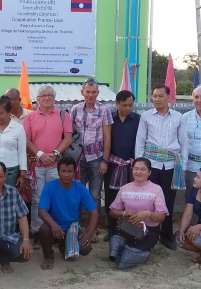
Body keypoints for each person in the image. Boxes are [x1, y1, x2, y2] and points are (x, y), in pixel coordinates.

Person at [134, 84, 188, 250]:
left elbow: (184, 142)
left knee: (168, 201)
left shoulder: (179, 117)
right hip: (151, 164)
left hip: (171, 165)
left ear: (168, 97)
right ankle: (147, 233)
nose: (157, 99)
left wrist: (183, 165)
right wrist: (140, 165)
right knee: (148, 199)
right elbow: (140, 140)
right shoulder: (146, 117)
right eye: (154, 96)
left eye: (160, 96)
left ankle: (166, 235)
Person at [23, 85, 73, 239]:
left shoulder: (63, 115)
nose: (47, 98)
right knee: (37, 199)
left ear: (54, 98)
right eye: (43, 95)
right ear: (37, 99)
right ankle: (37, 231)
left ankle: (56, 230)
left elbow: (68, 138)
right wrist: (40, 154)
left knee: (56, 198)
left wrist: (55, 153)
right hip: (36, 165)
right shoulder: (30, 117)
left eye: (50, 95)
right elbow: (26, 140)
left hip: (56, 166)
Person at [37, 155, 99, 270]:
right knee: (44, 230)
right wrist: (53, 225)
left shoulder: (80, 188)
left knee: (85, 249)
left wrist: (89, 233)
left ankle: (64, 246)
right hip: (55, 228)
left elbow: (94, 211)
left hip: (72, 228)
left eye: (70, 171)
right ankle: (48, 257)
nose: (66, 174)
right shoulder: (50, 186)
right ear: (58, 172)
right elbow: (41, 210)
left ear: (75, 172)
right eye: (63, 171)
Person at [105, 157, 168, 269]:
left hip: (149, 231)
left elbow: (161, 217)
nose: (138, 172)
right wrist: (124, 213)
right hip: (127, 228)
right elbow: (112, 212)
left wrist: (147, 214)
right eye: (136, 168)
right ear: (132, 170)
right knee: (114, 245)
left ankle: (145, 252)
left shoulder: (156, 189)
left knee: (124, 262)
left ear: (149, 172)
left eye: (143, 169)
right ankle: (130, 248)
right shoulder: (125, 188)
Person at [70, 79, 113, 229]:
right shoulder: (75, 109)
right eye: (87, 92)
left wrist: (105, 160)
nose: (90, 95)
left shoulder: (104, 110)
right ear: (82, 92)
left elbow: (107, 136)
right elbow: (70, 133)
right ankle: (76, 228)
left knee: (95, 195)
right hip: (78, 159)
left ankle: (92, 229)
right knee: (77, 193)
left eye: (93, 92)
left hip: (96, 158)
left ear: (98, 93)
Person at [104, 90, 141, 241]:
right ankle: (111, 229)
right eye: (124, 105)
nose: (128, 108)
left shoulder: (138, 120)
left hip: (131, 165)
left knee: (131, 197)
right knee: (111, 197)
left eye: (130, 105)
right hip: (113, 165)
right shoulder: (109, 119)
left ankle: (129, 229)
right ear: (117, 103)